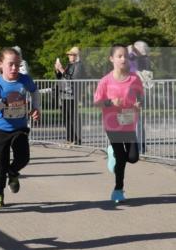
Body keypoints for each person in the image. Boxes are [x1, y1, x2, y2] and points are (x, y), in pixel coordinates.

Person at [0, 47, 41, 207]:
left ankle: (13, 172)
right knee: (0, 166)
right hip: (0, 130)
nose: (15, 68)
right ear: (1, 64)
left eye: (17, 64)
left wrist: (36, 108)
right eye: (11, 65)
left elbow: (35, 92)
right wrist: (1, 103)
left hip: (19, 128)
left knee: (23, 158)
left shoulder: (24, 79)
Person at [93, 44, 144, 204]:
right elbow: (96, 102)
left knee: (133, 157)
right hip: (112, 125)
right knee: (121, 157)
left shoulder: (134, 78)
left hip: (128, 123)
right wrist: (110, 102)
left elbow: (140, 96)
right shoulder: (105, 81)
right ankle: (118, 190)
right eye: (119, 56)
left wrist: (138, 104)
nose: (123, 59)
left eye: (126, 56)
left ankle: (111, 153)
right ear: (112, 59)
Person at [54, 46, 85, 146]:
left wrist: (61, 69)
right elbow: (61, 77)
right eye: (69, 54)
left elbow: (72, 79)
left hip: (72, 95)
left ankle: (76, 140)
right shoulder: (69, 65)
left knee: (73, 118)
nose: (69, 56)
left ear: (76, 56)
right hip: (64, 94)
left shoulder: (79, 65)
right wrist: (57, 71)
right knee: (66, 117)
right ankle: (69, 138)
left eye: (71, 54)